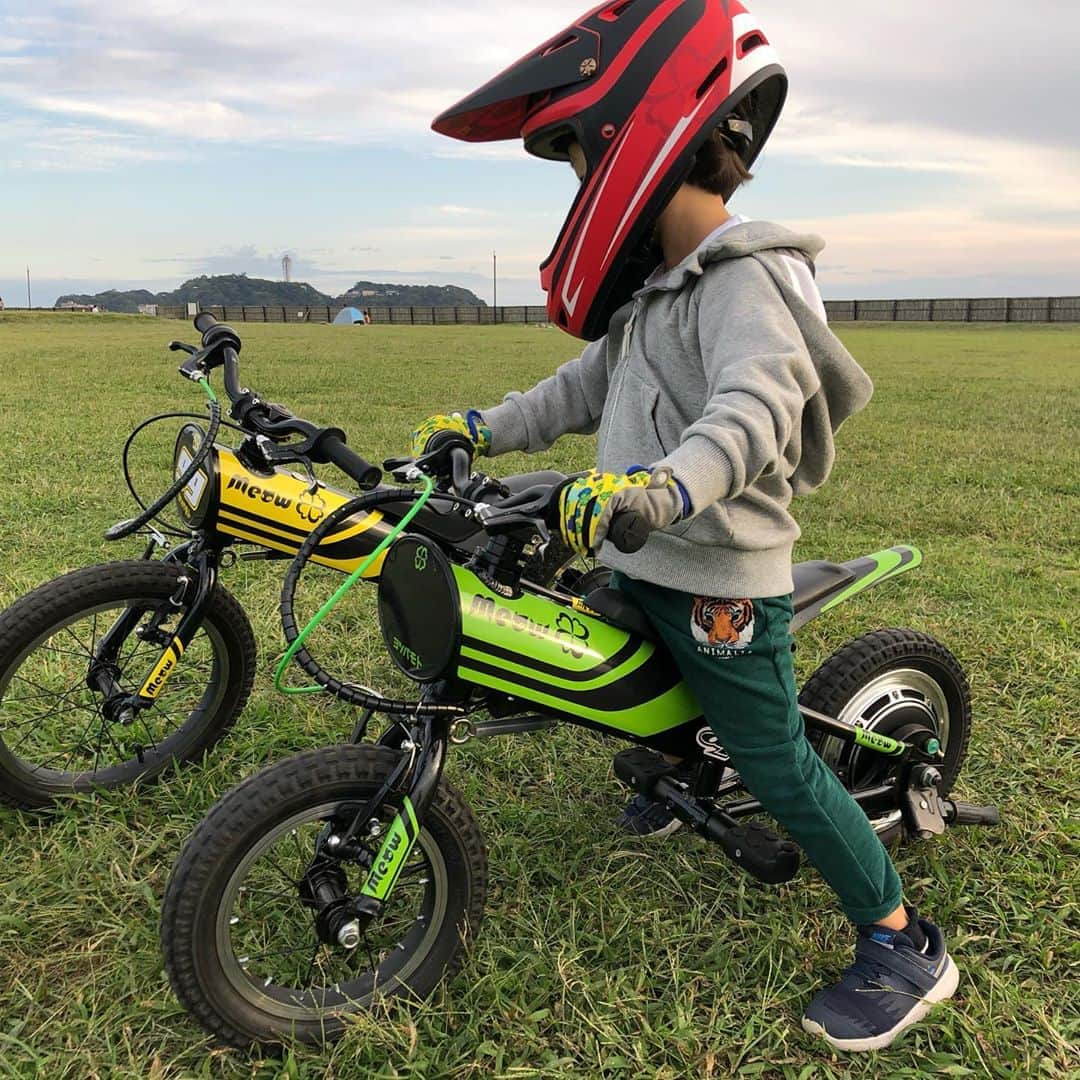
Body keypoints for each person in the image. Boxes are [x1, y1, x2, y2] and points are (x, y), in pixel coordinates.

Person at [414, 0, 959, 1052]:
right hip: (645, 550)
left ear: (644, 140)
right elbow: (583, 386)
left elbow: (752, 412)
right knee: (618, 673)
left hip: (717, 570)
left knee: (777, 761)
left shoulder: (749, 277)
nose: (579, 185)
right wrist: (482, 425)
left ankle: (903, 944)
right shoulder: (658, 291)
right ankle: (680, 773)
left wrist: (657, 491)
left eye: (579, 158)